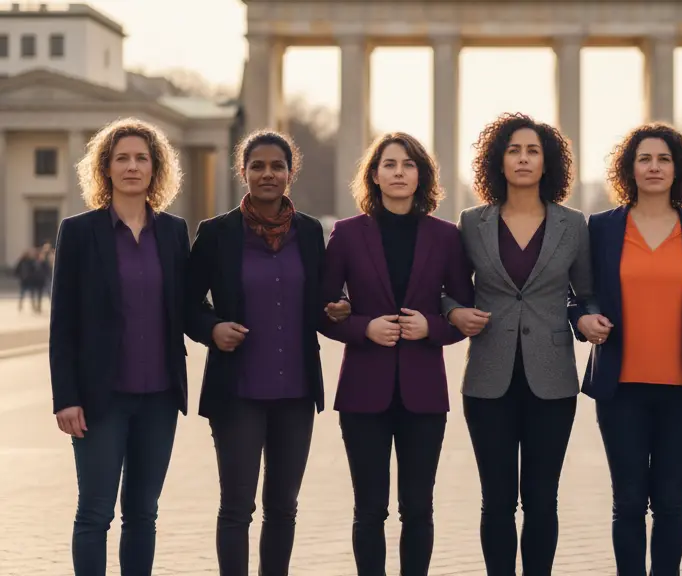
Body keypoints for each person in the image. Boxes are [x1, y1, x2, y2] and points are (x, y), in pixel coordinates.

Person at [443, 112, 600, 576]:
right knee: (496, 501)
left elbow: (585, 292)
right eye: (514, 150)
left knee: (541, 499)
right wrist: (453, 311)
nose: (524, 158)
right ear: (499, 160)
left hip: (552, 379)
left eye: (533, 150)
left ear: (548, 161)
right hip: (488, 377)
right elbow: (450, 287)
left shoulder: (574, 224)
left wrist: (586, 318)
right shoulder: (472, 222)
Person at [321, 132, 474, 576]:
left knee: (418, 510)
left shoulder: (445, 236)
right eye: (389, 164)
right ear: (374, 174)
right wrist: (362, 327)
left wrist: (434, 328)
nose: (399, 172)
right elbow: (321, 308)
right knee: (369, 510)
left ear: (422, 175)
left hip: (424, 394)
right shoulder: (347, 235)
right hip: (362, 393)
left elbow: (462, 311)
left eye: (408, 165)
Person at [186, 130, 337, 575]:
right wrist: (213, 329)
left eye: (277, 166)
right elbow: (186, 304)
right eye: (258, 166)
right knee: (236, 507)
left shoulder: (310, 233)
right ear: (243, 171)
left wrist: (338, 308)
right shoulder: (216, 234)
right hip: (237, 392)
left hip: (295, 391)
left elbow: (321, 303)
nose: (267, 174)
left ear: (290, 173)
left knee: (283, 507)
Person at [577, 123, 682, 574]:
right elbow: (582, 293)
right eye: (645, 158)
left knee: (670, 503)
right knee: (627, 502)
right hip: (620, 386)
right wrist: (584, 319)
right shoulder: (602, 227)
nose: (655, 167)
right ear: (630, 167)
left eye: (663, 159)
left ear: (678, 168)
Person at [48, 117, 191, 575]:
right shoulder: (79, 231)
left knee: (143, 515)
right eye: (121, 158)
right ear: (105, 168)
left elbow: (189, 307)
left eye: (141, 159)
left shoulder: (173, 232)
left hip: (160, 396)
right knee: (95, 512)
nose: (132, 167)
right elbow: (63, 322)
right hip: (99, 399)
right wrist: (66, 397)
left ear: (156, 168)